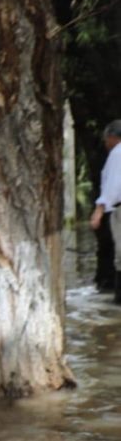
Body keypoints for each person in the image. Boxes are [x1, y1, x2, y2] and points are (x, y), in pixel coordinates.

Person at [90, 120, 121, 303]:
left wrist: (98, 211)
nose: (105, 144)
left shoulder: (117, 153)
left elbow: (113, 186)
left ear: (111, 137)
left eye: (105, 140)